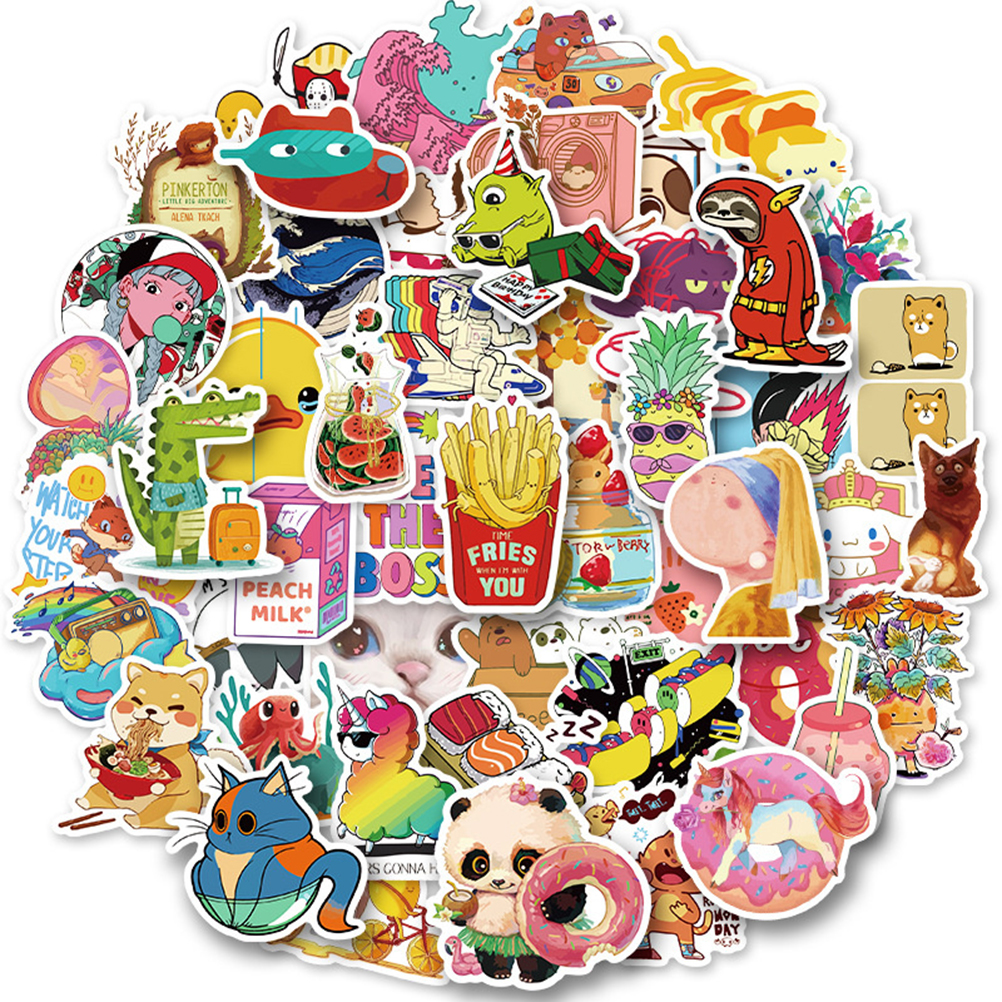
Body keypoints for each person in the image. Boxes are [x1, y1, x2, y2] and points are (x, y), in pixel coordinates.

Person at [667, 444, 825, 640]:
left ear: (770, 547)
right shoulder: (752, 605)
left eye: (731, 503)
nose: (702, 506)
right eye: (696, 480)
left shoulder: (748, 615)